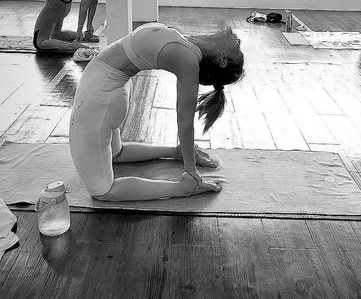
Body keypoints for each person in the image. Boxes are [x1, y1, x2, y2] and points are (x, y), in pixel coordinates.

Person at [69, 23, 244, 201]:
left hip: (100, 93)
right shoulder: (188, 48)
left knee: (102, 191)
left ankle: (184, 188)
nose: (239, 42)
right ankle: (174, 152)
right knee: (116, 153)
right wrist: (184, 151)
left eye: (239, 50)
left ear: (223, 59)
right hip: (109, 87)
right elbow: (181, 108)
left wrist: (190, 170)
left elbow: (184, 119)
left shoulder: (188, 58)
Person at [33, 0, 106, 53]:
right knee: (56, 34)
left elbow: (86, 5)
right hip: (62, 3)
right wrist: (85, 27)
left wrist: (83, 28)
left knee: (40, 42)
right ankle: (82, 37)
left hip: (55, 4)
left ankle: (74, 46)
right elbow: (91, 4)